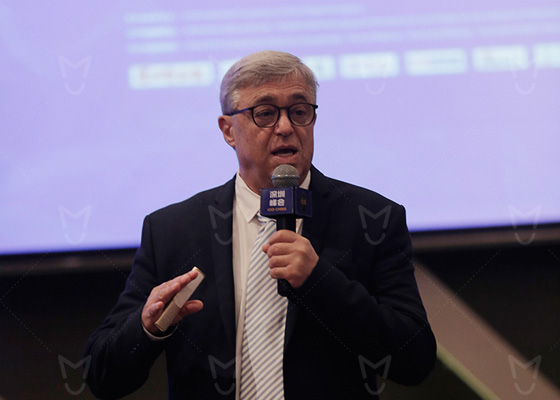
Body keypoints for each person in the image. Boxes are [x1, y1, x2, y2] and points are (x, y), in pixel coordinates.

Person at [84, 50, 436, 400]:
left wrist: (320, 281)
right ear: (228, 130)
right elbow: (101, 376)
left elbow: (415, 360)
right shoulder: (172, 231)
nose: (285, 127)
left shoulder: (371, 219)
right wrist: (146, 328)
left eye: (299, 111)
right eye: (265, 113)